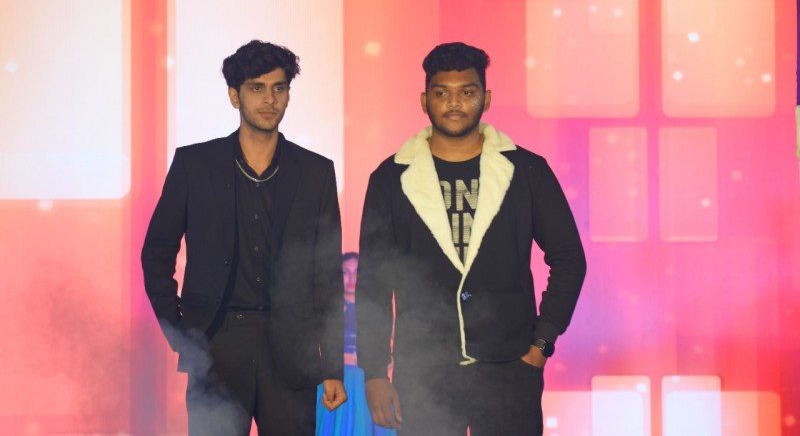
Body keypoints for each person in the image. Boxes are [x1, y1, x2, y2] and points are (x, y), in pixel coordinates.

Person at [356, 42, 586, 435]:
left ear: (486, 98)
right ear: (424, 100)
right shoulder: (390, 178)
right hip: (423, 371)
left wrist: (541, 344)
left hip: (510, 367)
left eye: (467, 91)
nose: (454, 103)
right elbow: (374, 282)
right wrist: (374, 371)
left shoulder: (526, 170)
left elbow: (568, 257)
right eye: (441, 92)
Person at [141, 40, 346, 435]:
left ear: (288, 95)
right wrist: (181, 333)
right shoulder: (194, 164)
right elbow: (157, 252)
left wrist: (332, 365)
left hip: (291, 351)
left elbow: (327, 276)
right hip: (216, 346)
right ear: (234, 96)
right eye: (257, 88)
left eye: (279, 88)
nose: (270, 99)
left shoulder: (315, 172)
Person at [315, 252, 397, 436]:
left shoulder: (376, 311)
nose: (352, 278)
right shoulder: (327, 312)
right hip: (335, 380)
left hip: (368, 380)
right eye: (345, 272)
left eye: (356, 272)